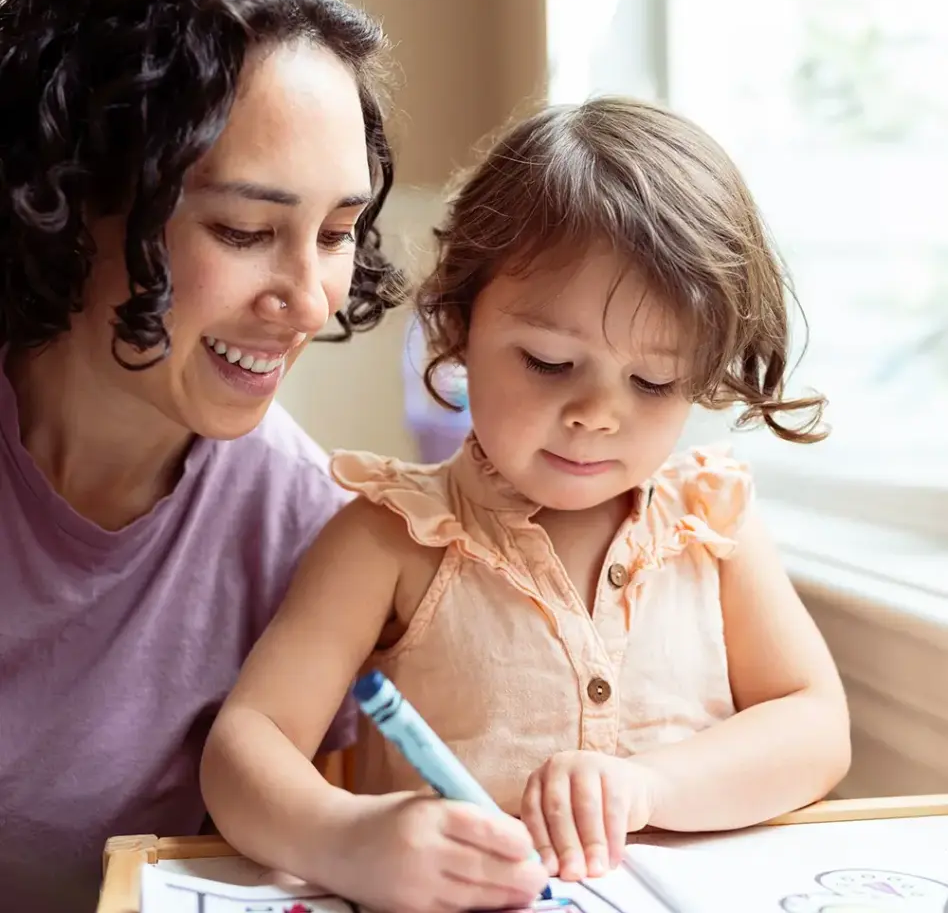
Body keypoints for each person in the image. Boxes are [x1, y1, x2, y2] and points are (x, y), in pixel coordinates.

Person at [201, 98, 852, 913]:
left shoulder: (710, 523)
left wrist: (648, 787)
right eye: (549, 361)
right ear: (457, 327)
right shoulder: (391, 536)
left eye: (653, 382)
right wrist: (346, 839)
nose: (596, 414)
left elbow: (816, 727)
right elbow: (244, 746)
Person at [0, 0, 399, 913]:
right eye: (242, 227)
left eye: (339, 232)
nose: (310, 301)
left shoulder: (305, 534)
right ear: (69, 195)